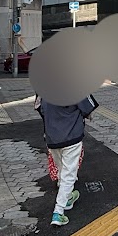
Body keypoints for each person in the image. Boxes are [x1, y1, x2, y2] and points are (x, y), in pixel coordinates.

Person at [35, 93, 97, 226]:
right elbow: (88, 108)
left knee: (63, 171)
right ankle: (59, 211)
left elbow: (40, 108)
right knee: (69, 174)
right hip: (71, 136)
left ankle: (68, 197)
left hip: (52, 138)